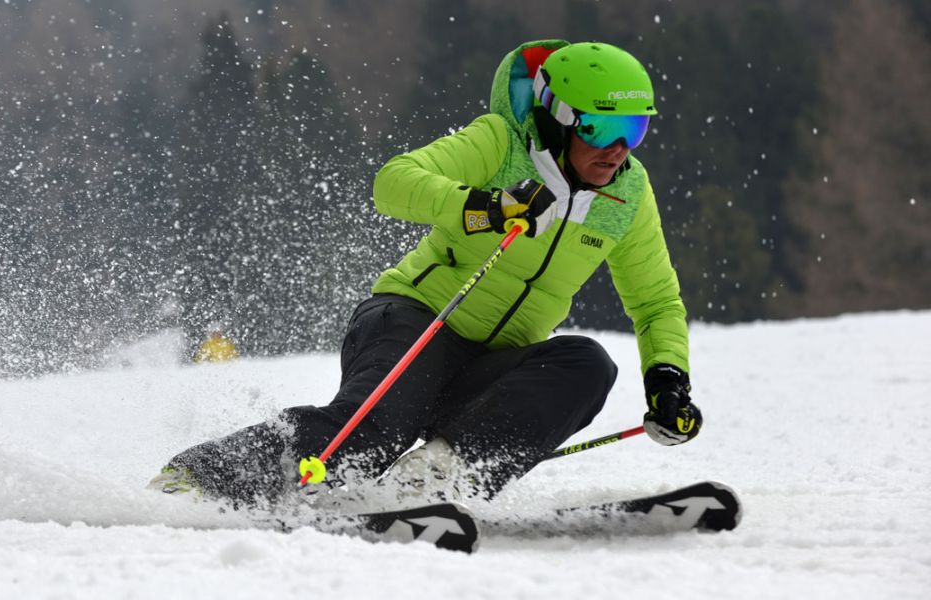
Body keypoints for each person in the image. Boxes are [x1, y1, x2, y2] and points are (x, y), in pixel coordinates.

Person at [149, 40, 702, 508]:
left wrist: (668, 381)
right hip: (415, 320)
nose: (619, 149)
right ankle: (198, 477)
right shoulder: (500, 142)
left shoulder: (627, 193)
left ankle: (438, 476)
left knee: (587, 364)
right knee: (369, 434)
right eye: (604, 127)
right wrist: (485, 207)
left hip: (491, 366)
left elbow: (655, 301)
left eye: (634, 128)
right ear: (559, 117)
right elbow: (393, 181)